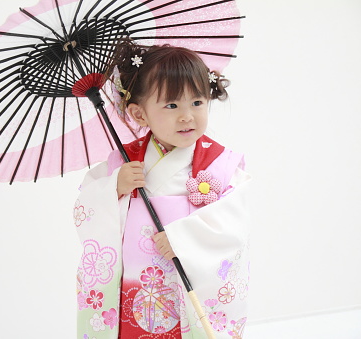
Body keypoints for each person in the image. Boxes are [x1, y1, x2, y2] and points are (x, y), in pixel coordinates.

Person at [74, 40, 251, 339]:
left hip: (187, 285)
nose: (187, 116)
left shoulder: (221, 164)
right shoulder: (124, 162)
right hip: (135, 287)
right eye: (171, 105)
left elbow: (235, 224)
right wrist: (114, 187)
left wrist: (184, 239)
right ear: (140, 114)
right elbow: (85, 208)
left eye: (197, 102)